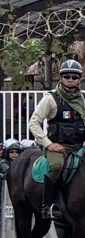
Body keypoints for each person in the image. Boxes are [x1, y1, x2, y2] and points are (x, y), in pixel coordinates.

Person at [29, 59, 85, 220]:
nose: (70, 80)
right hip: (57, 147)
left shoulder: (83, 100)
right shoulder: (51, 99)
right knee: (56, 166)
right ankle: (48, 205)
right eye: (66, 76)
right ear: (60, 78)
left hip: (78, 146)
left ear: (79, 79)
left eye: (74, 77)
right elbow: (34, 123)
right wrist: (48, 144)